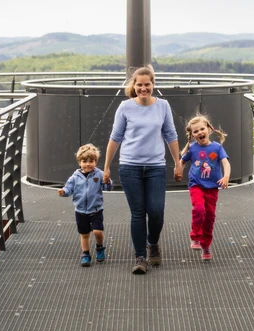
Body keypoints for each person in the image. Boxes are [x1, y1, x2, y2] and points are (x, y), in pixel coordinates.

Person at [103, 65, 182, 275]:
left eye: (147, 84)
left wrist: (178, 163)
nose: (143, 88)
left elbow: (171, 135)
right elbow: (115, 137)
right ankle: (140, 257)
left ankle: (152, 243)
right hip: (130, 167)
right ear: (134, 85)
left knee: (156, 211)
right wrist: (106, 167)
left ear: (153, 84)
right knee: (138, 213)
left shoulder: (163, 106)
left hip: (156, 166)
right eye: (139, 85)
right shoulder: (125, 107)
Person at [178, 114, 230, 261]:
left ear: (208, 129)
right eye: (196, 131)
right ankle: (195, 236)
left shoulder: (217, 148)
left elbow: (225, 162)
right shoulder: (192, 149)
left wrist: (226, 176)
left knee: (209, 217)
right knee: (199, 209)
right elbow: (182, 161)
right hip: (197, 185)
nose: (200, 132)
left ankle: (206, 245)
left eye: (202, 129)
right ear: (192, 135)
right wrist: (178, 171)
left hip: (212, 187)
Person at [58, 143, 113, 267]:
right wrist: (64, 192)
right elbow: (69, 189)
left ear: (96, 162)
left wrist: (107, 182)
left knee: (97, 231)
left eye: (91, 161)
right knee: (84, 234)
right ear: (79, 162)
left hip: (96, 210)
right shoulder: (75, 177)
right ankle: (85, 253)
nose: (88, 164)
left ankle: (99, 247)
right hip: (81, 210)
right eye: (84, 161)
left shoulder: (99, 174)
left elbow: (108, 188)